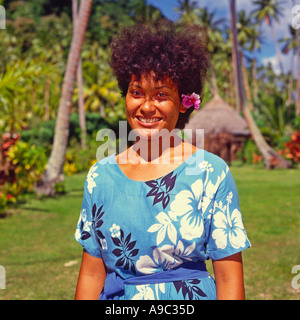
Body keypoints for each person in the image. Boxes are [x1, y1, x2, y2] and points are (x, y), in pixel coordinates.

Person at [74, 21, 251, 300]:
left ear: (183, 102)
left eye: (161, 94)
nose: (146, 106)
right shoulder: (100, 176)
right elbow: (92, 273)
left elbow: (229, 280)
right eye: (136, 92)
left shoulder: (210, 173)